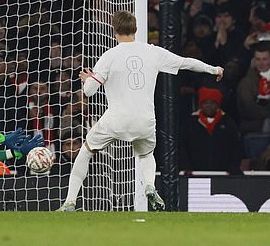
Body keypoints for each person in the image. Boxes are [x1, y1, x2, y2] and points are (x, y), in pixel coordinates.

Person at [58, 11, 224, 211]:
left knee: (86, 151)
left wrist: (89, 80)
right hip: (145, 120)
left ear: (114, 31)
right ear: (136, 29)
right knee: (145, 155)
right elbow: (185, 62)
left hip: (116, 120)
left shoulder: (109, 56)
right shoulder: (153, 52)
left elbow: (89, 92)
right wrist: (214, 69)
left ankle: (70, 201)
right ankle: (149, 185)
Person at [179, 87, 242, 174]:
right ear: (201, 105)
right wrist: (186, 167)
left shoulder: (227, 122)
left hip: (222, 174)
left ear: (218, 105)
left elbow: (236, 147)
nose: (208, 105)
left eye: (212, 102)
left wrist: (233, 167)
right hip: (195, 174)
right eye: (205, 102)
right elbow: (182, 146)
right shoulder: (190, 122)